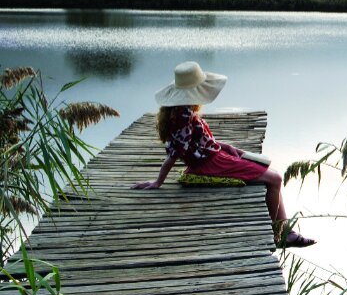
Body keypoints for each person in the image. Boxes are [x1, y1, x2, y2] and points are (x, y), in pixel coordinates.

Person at [131, 61, 315, 248]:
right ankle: (279, 233)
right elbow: (175, 153)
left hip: (215, 158)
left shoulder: (179, 112)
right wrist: (158, 182)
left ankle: (287, 232)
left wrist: (226, 147)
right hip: (211, 165)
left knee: (271, 174)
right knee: (275, 179)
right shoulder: (183, 117)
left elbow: (197, 143)